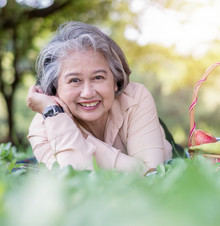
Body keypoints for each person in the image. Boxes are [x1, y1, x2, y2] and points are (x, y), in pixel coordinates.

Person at [27, 21, 172, 175]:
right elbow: (76, 177)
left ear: (115, 81)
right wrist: (60, 119)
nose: (88, 93)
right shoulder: (43, 126)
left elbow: (151, 173)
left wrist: (81, 137)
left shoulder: (136, 97)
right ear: (55, 89)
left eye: (98, 77)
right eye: (74, 80)